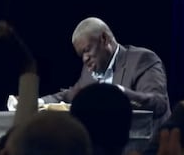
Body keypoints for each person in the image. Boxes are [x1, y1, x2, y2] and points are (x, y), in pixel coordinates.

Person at [41, 17, 170, 126]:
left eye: (87, 50)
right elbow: (69, 96)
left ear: (104, 39)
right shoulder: (89, 71)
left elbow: (158, 103)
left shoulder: (142, 59)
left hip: (144, 149)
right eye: (81, 55)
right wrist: (39, 102)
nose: (85, 59)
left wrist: (122, 93)